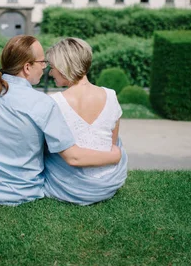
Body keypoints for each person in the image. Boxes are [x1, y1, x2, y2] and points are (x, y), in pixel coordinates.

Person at [0, 35, 122, 206]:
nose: (45, 68)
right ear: (27, 67)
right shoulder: (42, 102)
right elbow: (73, 157)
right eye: (42, 62)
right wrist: (116, 155)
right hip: (23, 191)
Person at [43, 37, 128, 205]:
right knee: (116, 141)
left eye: (52, 68)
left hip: (71, 187)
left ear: (63, 66)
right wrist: (115, 156)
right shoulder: (111, 95)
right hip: (107, 183)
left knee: (47, 147)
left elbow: (70, 157)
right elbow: (112, 145)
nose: (51, 73)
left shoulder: (55, 102)